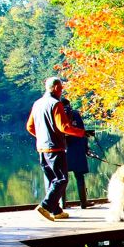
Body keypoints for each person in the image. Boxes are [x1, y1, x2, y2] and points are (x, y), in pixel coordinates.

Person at [25, 77, 92, 221]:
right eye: (61, 87)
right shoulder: (56, 104)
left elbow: (30, 127)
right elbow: (64, 127)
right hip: (55, 148)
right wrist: (82, 133)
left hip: (42, 149)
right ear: (55, 88)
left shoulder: (37, 103)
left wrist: (42, 137)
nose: (62, 90)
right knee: (61, 179)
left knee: (52, 180)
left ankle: (56, 211)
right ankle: (45, 206)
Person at [62, 98, 91, 210]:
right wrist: (86, 148)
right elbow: (83, 132)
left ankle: (62, 205)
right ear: (69, 105)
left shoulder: (58, 115)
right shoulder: (75, 114)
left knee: (62, 178)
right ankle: (83, 204)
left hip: (63, 150)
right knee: (79, 177)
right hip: (77, 149)